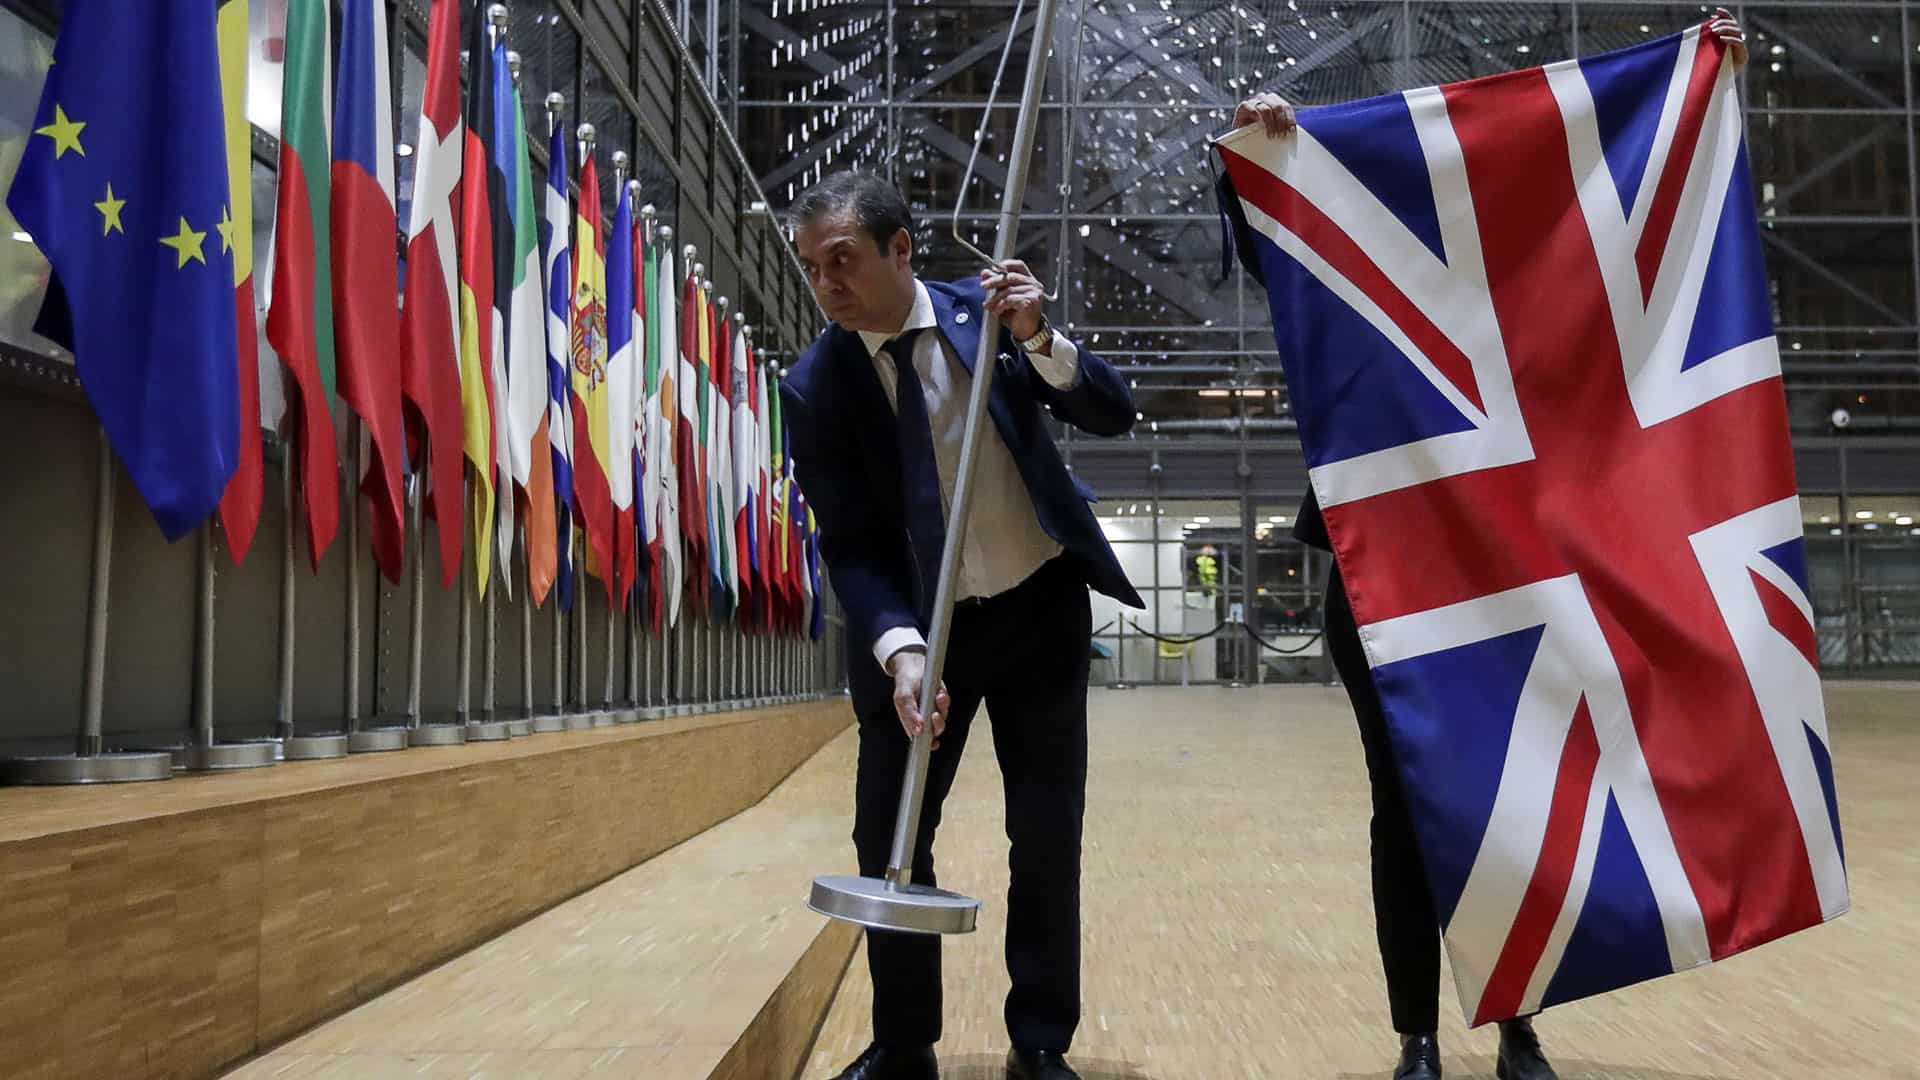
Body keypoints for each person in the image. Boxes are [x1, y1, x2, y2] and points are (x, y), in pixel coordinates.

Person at [1222, 11, 1749, 1080]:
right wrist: (1262, 163)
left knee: (1524, 799)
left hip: (1522, 570)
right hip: (1391, 581)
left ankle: (1517, 1021)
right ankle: (1415, 1028)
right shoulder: (1385, 267)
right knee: (1408, 801)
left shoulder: (1542, 275)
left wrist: (1706, 76)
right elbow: (1288, 259)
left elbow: (1638, 248)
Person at [780, 170, 1143, 1080]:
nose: (827, 286)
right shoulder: (814, 386)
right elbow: (854, 546)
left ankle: (1041, 1042)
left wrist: (1041, 337)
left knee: (1047, 834)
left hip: (1037, 608)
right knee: (889, 842)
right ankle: (904, 1046)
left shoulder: (992, 321)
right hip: (918, 641)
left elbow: (1109, 409)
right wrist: (902, 651)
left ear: (902, 250)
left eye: (844, 261)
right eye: (812, 269)